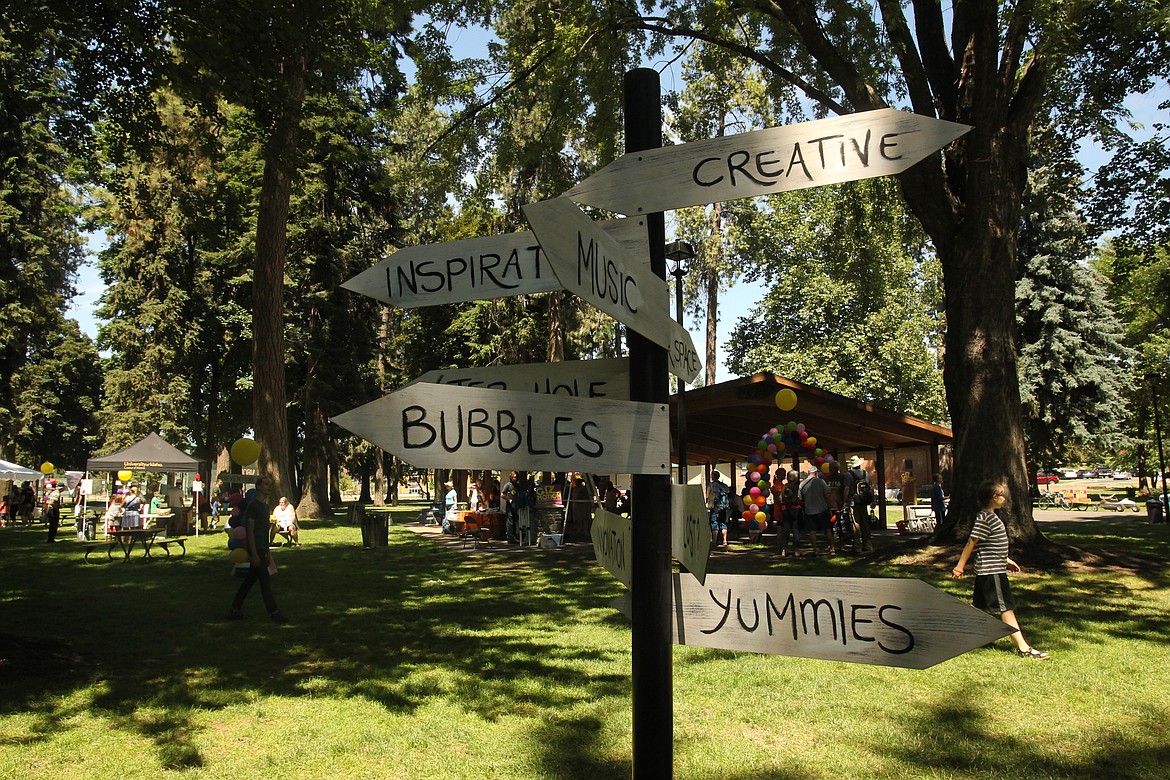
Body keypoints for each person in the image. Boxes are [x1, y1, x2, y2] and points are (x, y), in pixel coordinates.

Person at [951, 480, 1048, 659]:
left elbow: (992, 545)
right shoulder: (985, 517)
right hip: (991, 571)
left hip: (992, 567)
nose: (1004, 499)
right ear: (994, 497)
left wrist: (1006, 560)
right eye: (1002, 495)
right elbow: (972, 542)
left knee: (979, 607)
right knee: (1006, 608)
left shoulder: (991, 516)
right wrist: (960, 566)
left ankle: (962, 635)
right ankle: (1024, 648)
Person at [227, 474, 288, 623]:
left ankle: (234, 609)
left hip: (262, 548)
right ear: (259, 486)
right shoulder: (253, 506)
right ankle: (274, 612)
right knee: (265, 583)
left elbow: (263, 531)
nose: (269, 487)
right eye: (266, 484)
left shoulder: (265, 506)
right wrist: (253, 553)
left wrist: (267, 550)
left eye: (270, 485)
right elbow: (250, 530)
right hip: (257, 550)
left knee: (249, 581)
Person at [800, 466, 833, 555]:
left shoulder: (802, 484)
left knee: (812, 531)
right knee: (827, 530)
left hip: (809, 510)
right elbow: (827, 494)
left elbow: (800, 498)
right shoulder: (821, 482)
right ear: (816, 473)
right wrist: (829, 507)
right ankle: (832, 548)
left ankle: (815, 550)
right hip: (822, 508)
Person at [845, 456, 874, 552]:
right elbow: (870, 488)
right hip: (864, 501)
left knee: (855, 524)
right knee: (865, 524)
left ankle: (857, 546)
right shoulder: (866, 474)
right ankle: (868, 545)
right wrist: (872, 500)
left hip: (854, 502)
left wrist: (845, 501)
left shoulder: (848, 475)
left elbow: (847, 488)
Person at [779, 471, 802, 557]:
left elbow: (780, 499)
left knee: (786, 530)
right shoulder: (797, 487)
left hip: (785, 509)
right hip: (795, 509)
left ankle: (784, 549)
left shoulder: (784, 487)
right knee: (796, 529)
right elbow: (799, 497)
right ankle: (796, 550)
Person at [705, 471, 731, 548]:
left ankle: (714, 541)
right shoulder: (724, 486)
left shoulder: (712, 485)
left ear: (713, 477)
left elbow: (708, 496)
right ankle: (725, 541)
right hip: (724, 507)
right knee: (723, 523)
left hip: (715, 507)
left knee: (714, 523)